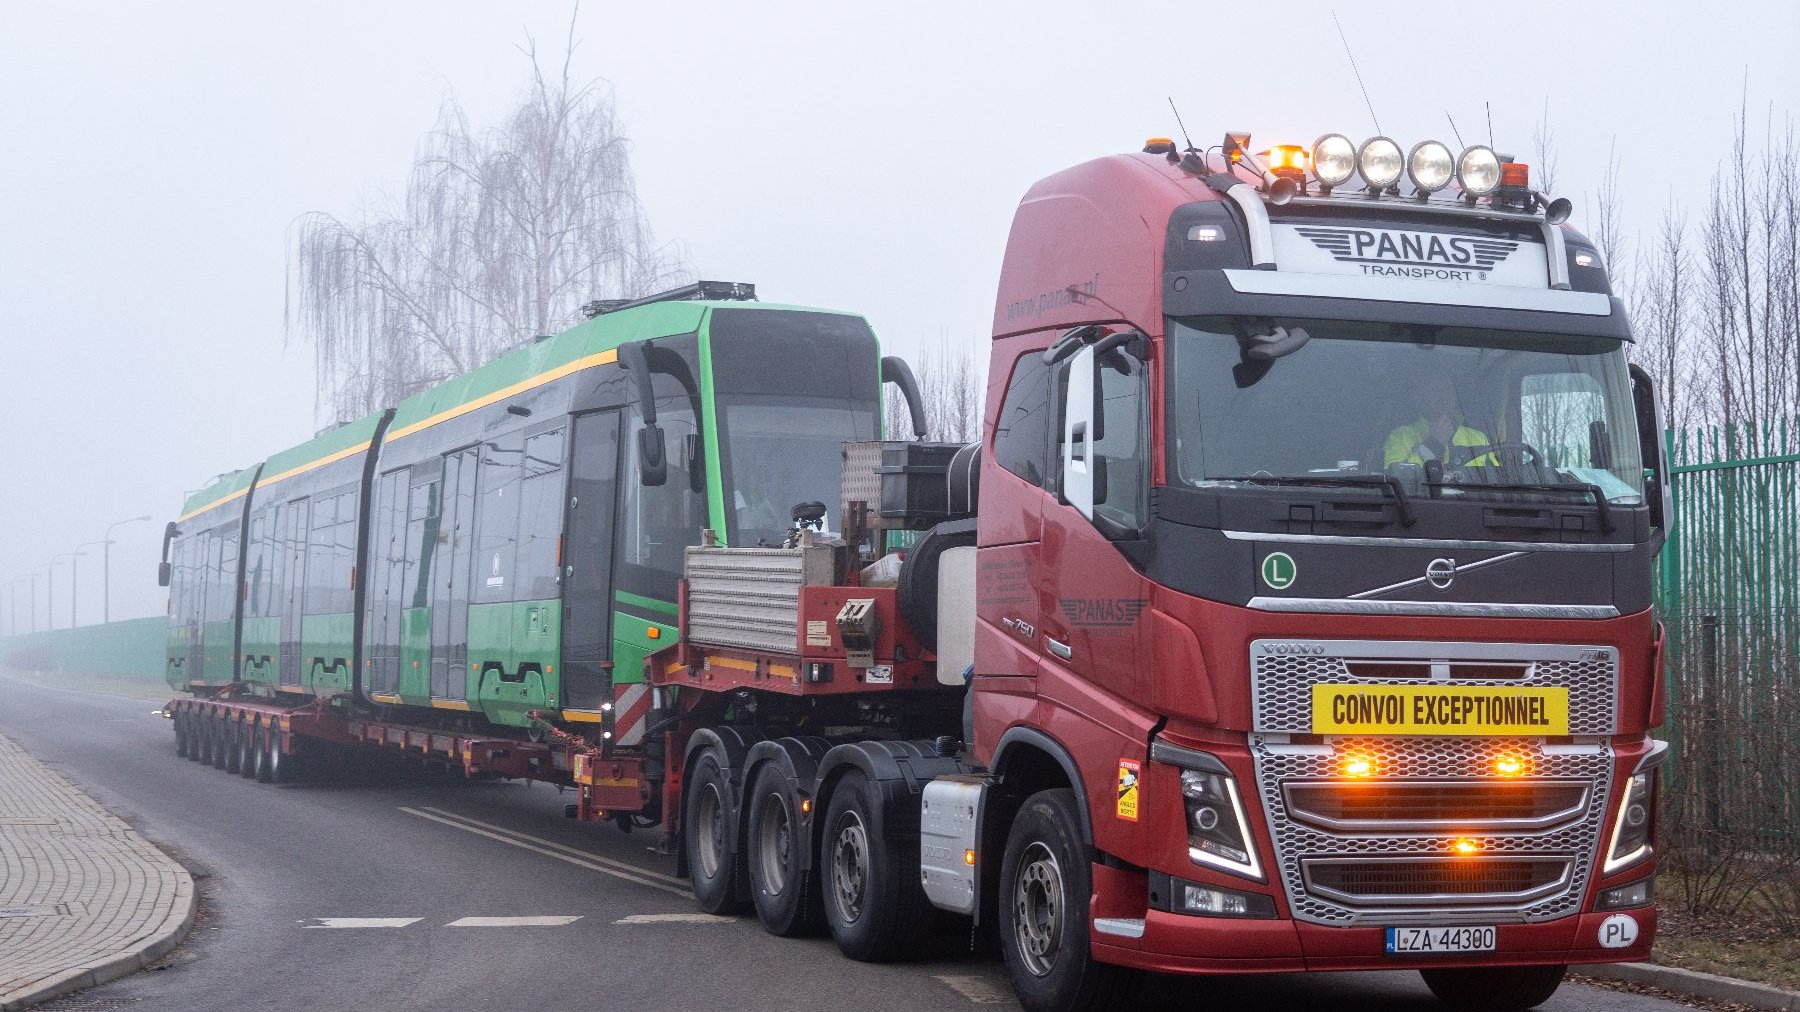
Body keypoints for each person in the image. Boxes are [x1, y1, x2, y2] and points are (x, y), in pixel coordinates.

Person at [1384, 373, 1492, 468]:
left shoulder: (1479, 439)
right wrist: (1432, 444)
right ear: (1420, 398)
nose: (1443, 395)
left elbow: (1495, 483)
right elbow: (1396, 482)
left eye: (1447, 388)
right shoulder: (1400, 438)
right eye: (1434, 390)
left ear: (1455, 394)